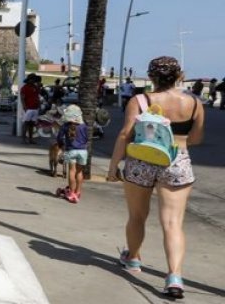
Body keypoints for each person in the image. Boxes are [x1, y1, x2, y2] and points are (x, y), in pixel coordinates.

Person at [108, 56, 205, 299]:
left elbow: (125, 134)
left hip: (141, 160)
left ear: (151, 77)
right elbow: (196, 139)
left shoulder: (140, 100)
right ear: (179, 76)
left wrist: (113, 167)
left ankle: (132, 258)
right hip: (176, 159)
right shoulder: (195, 103)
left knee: (137, 216)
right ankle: (174, 277)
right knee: (172, 223)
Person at [54, 105, 89, 203]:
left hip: (71, 150)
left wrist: (61, 146)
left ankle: (71, 193)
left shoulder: (65, 126)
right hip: (83, 151)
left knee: (72, 171)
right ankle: (78, 192)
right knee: (79, 172)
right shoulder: (83, 126)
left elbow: (59, 138)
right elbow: (87, 138)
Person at [20, 73, 42, 144]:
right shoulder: (24, 88)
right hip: (28, 108)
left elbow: (38, 96)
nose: (34, 81)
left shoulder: (35, 87)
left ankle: (30, 139)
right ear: (29, 80)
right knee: (26, 123)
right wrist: (24, 107)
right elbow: (22, 98)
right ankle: (23, 139)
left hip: (35, 108)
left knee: (32, 124)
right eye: (33, 79)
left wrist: (39, 106)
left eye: (34, 79)